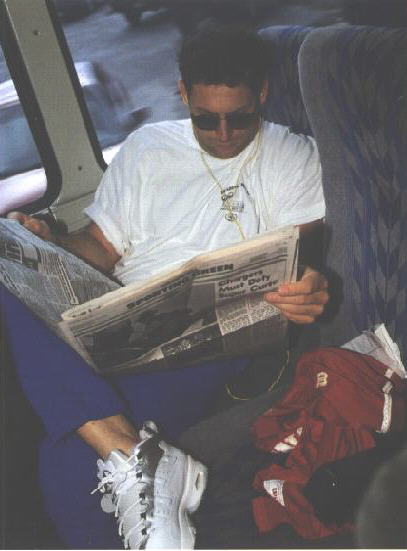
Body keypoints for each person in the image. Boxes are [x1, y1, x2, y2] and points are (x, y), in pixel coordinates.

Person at [7, 25, 328, 549]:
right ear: (183, 94)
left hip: (210, 346)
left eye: (240, 117)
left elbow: (301, 260)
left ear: (262, 94)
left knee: (63, 458)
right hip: (120, 321)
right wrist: (51, 243)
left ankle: (129, 458)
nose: (225, 134)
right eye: (207, 119)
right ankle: (136, 457)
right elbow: (101, 249)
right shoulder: (148, 148)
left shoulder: (295, 157)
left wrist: (308, 287)